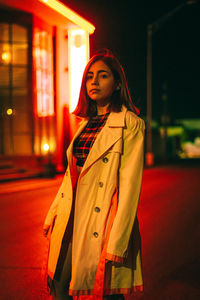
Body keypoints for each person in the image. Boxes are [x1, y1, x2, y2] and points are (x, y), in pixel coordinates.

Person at [43, 49, 145, 300]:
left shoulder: (130, 123)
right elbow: (70, 177)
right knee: (59, 283)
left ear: (118, 83)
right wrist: (54, 212)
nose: (94, 82)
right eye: (89, 77)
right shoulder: (84, 124)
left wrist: (118, 239)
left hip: (105, 216)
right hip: (72, 215)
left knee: (106, 292)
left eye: (103, 76)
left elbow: (130, 185)